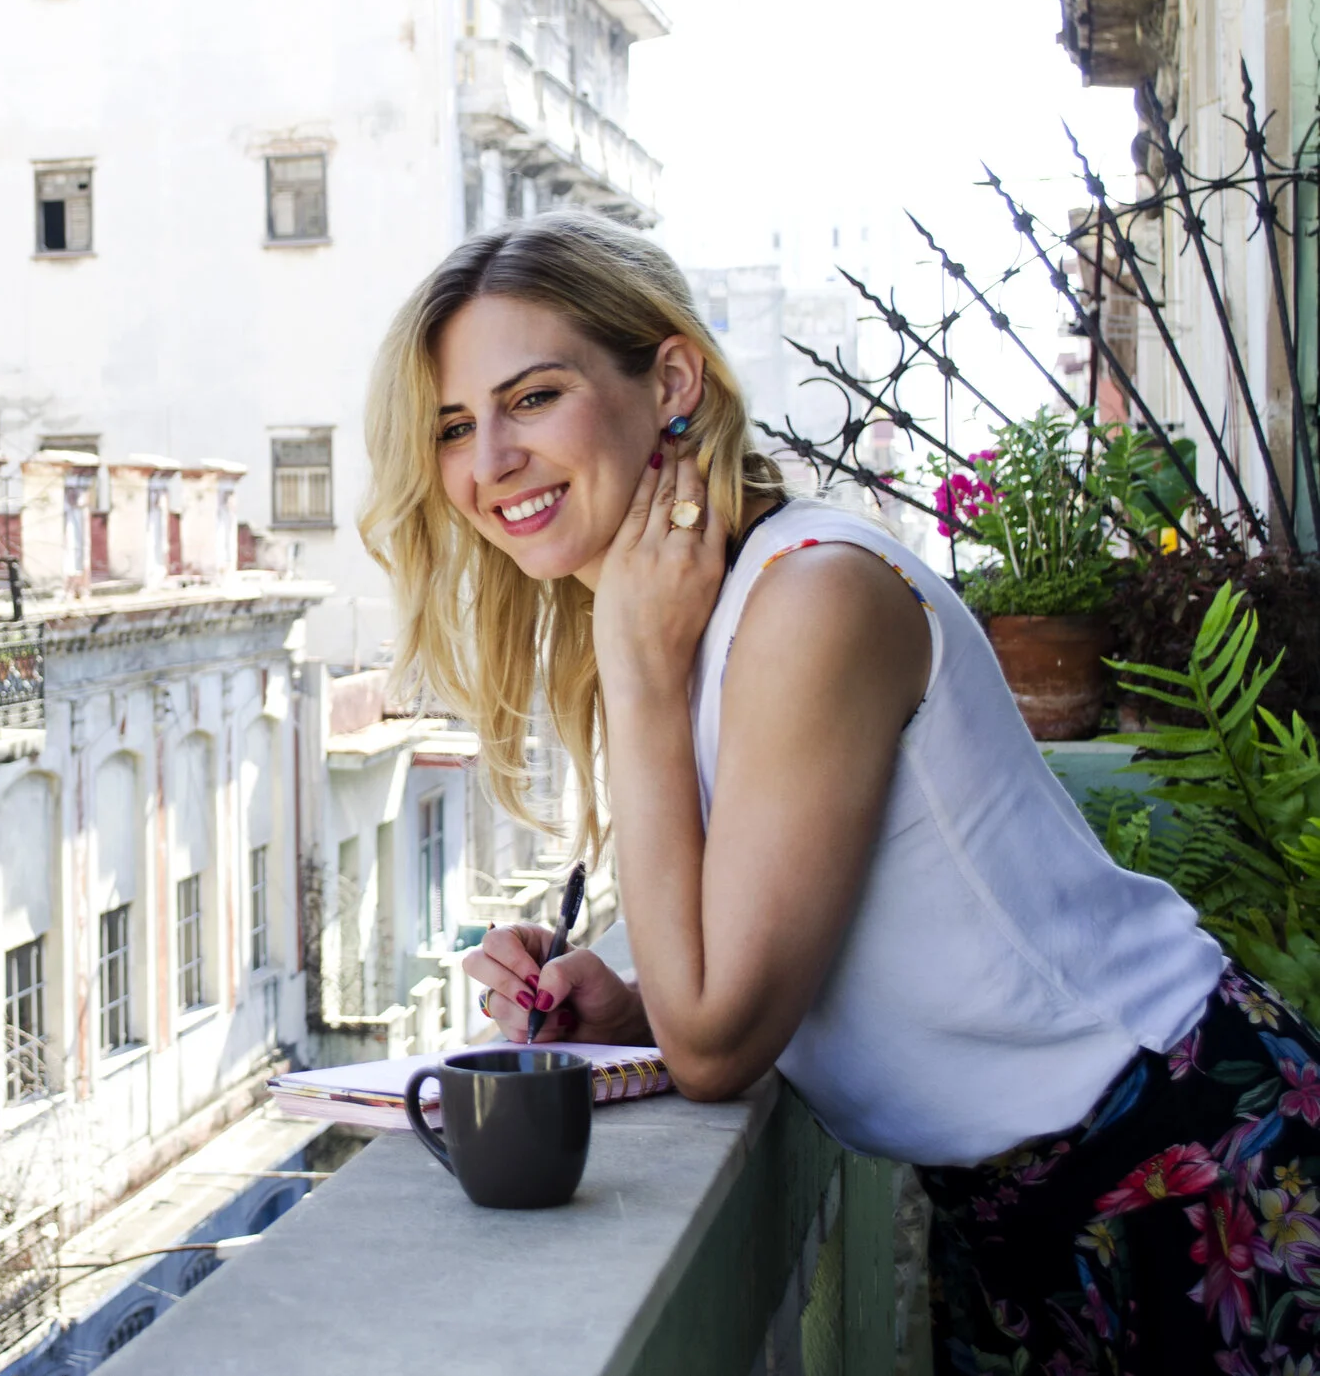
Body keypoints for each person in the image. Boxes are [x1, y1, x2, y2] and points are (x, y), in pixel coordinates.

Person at [361, 211, 1318, 1370]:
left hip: (1192, 1167)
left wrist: (639, 683)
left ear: (670, 379)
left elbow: (719, 1050)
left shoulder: (808, 598)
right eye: (454, 426)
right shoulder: (711, 617)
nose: (487, 462)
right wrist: (626, 1000)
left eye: (531, 398)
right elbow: (749, 967)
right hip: (1030, 1217)